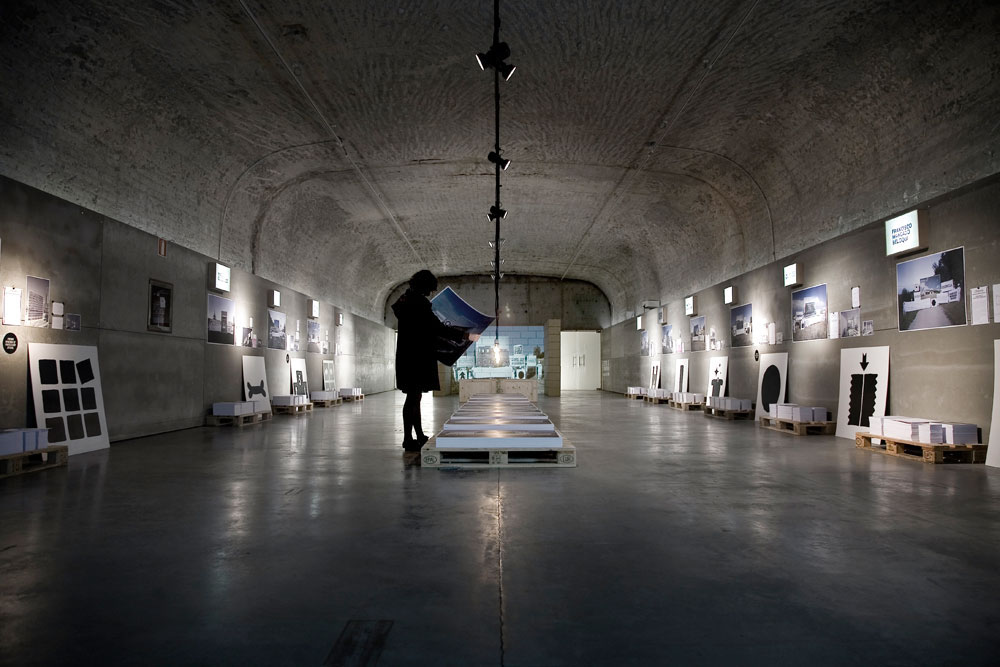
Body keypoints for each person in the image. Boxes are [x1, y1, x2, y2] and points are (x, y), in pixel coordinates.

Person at [392, 270, 479, 451]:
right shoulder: (418, 304)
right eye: (430, 288)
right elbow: (437, 328)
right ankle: (408, 439)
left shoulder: (406, 301)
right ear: (425, 286)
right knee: (413, 399)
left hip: (407, 357)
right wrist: (466, 335)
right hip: (417, 358)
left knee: (414, 398)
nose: (431, 292)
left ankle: (417, 435)